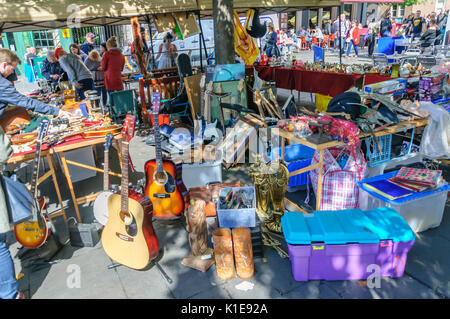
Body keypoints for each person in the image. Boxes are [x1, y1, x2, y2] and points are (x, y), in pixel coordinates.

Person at [101, 36, 125, 104]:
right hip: (118, 78)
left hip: (109, 79)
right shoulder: (121, 55)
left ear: (108, 45)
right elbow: (121, 68)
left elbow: (103, 67)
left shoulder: (107, 54)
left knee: (111, 98)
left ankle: (114, 112)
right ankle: (121, 112)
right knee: (119, 98)